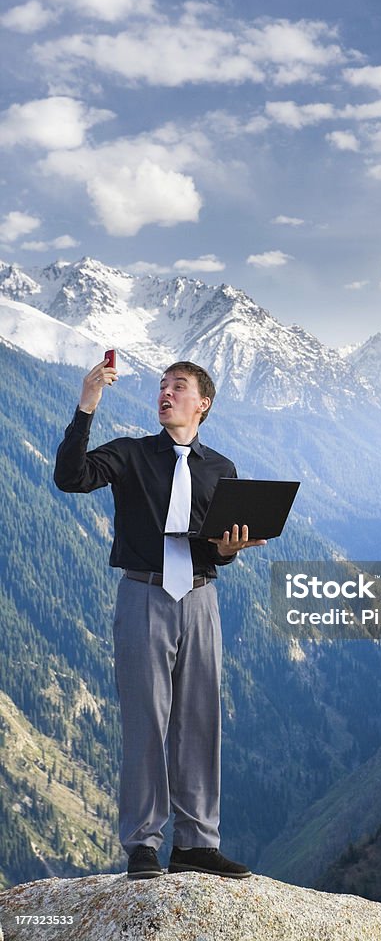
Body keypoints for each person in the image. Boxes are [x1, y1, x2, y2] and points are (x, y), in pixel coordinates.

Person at [54, 357, 265, 880]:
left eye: (179, 387)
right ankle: (143, 845)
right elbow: (70, 477)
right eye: (162, 386)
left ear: (203, 404)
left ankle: (196, 845)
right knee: (145, 721)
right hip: (142, 596)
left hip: (200, 599)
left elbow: (216, 549)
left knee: (199, 722)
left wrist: (230, 549)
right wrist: (87, 404)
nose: (166, 393)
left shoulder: (222, 469)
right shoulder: (129, 454)